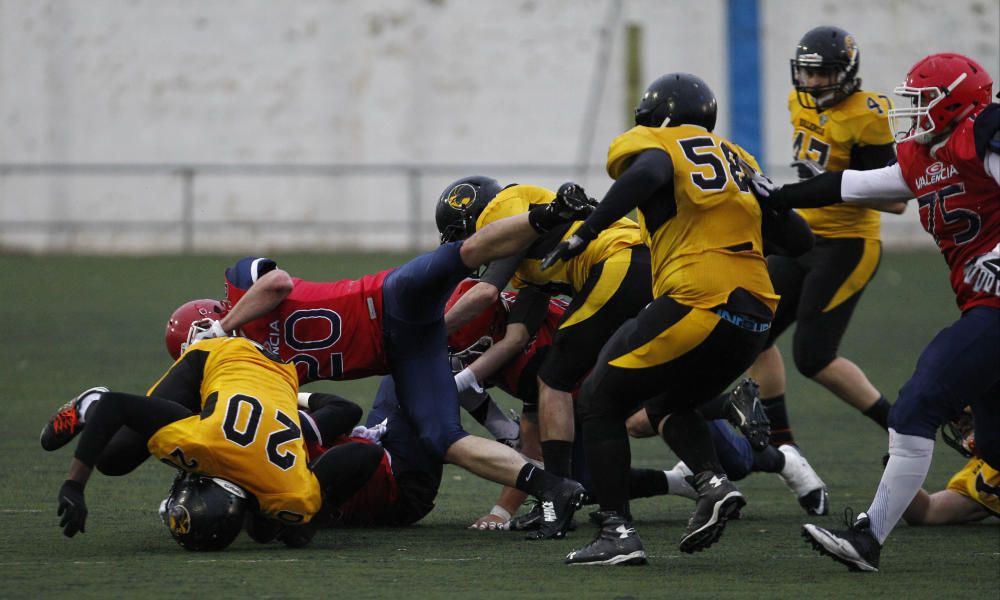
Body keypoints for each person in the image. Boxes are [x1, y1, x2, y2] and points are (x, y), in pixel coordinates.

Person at [192, 195, 597, 540]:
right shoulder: (255, 370)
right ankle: (554, 486)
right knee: (444, 440)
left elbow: (277, 282)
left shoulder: (239, 298)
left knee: (462, 256)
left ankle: (550, 212)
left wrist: (224, 328)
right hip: (405, 355)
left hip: (385, 300)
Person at [745, 52, 999, 571]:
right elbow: (849, 185)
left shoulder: (984, 133)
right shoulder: (925, 157)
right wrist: (777, 197)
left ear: (958, 100)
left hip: (994, 306)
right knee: (992, 444)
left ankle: (868, 539)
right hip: (981, 302)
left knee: (918, 405)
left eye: (925, 102)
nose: (915, 113)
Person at [542, 72, 797, 565]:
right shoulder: (741, 161)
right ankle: (713, 484)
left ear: (658, 119)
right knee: (663, 402)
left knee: (598, 398)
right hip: (756, 316)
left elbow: (650, 172)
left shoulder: (660, 145)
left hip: (700, 298)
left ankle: (617, 532)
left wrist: (587, 231)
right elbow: (799, 241)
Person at [40, 325, 385, 550]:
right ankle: (90, 403)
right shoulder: (200, 444)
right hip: (219, 356)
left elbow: (367, 453)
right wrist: (74, 484)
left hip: (281, 373)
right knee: (114, 458)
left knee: (273, 530)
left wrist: (315, 508)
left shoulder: (291, 493)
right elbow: (117, 406)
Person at [747, 28, 906, 500]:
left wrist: (824, 189)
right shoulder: (800, 103)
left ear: (848, 73)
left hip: (847, 245)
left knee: (813, 356)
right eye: (809, 71)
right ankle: (783, 445)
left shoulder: (867, 115)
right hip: (802, 236)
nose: (815, 81)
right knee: (751, 329)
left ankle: (902, 428)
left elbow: (896, 200)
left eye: (825, 72)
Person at [435, 176, 652, 484]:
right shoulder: (529, 263)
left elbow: (485, 293)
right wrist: (463, 382)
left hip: (621, 260)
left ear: (473, 218)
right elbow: (516, 338)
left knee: (556, 377)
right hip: (646, 265)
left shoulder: (501, 210)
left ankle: (559, 494)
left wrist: (427, 333)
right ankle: (714, 459)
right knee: (640, 385)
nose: (466, 247)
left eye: (462, 236)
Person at [902, 414, 999, 526]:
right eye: (955, 417)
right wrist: (900, 478)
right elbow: (927, 511)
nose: (959, 425)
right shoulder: (978, 475)